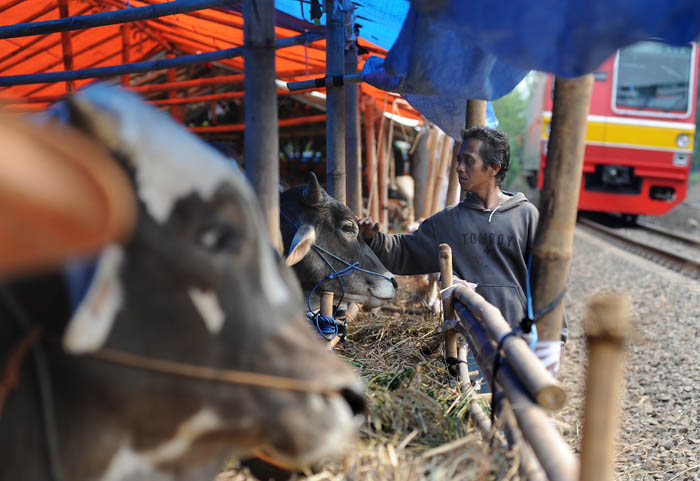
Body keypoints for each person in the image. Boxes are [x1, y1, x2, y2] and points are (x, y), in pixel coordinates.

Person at [359, 126, 567, 352]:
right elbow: (402, 252)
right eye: (459, 160)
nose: (459, 168)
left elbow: (545, 279)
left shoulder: (525, 215)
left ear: (493, 168)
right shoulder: (447, 222)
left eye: (469, 161)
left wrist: (556, 335)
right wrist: (373, 238)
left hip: (520, 337)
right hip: (469, 343)